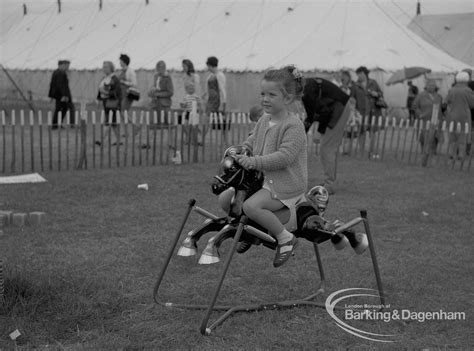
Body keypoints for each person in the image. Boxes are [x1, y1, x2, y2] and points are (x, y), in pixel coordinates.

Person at [220, 66, 307, 268]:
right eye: (262, 94)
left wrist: (253, 162)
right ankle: (250, 233)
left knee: (250, 206)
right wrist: (242, 150)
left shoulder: (293, 126)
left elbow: (284, 157)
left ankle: (286, 239)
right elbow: (253, 140)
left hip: (285, 184)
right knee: (226, 199)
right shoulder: (264, 120)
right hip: (263, 181)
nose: (265, 99)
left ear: (287, 98)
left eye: (271, 94)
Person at [302, 77, 351, 195]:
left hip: (339, 108)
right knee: (328, 148)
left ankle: (329, 185)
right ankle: (329, 182)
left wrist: (319, 132)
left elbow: (324, 111)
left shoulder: (307, 91)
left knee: (327, 148)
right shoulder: (305, 89)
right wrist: (302, 133)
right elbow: (311, 115)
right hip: (335, 108)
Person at [354, 66, 385, 158]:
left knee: (373, 132)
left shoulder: (373, 83)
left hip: (374, 111)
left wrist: (376, 94)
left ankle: (372, 151)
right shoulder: (356, 85)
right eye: (357, 74)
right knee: (361, 132)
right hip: (361, 112)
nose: (358, 76)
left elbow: (381, 93)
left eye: (360, 74)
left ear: (364, 73)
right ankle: (362, 151)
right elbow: (353, 98)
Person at [412, 80, 444, 166]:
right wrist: (420, 114)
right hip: (424, 120)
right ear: (426, 86)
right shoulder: (421, 95)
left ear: (435, 87)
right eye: (429, 85)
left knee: (435, 137)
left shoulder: (439, 96)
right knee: (424, 137)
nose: (431, 87)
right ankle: (424, 152)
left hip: (436, 119)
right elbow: (414, 106)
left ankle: (432, 152)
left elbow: (441, 108)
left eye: (433, 85)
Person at [445, 71, 474, 161]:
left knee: (452, 134)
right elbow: (472, 104)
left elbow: (447, 101)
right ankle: (461, 154)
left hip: (452, 114)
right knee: (463, 135)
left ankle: (452, 153)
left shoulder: (452, 89)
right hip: (464, 115)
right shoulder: (468, 90)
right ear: (466, 80)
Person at [95, 61, 122, 146]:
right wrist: (99, 99)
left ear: (111, 68)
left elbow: (116, 92)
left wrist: (106, 93)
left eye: (106, 67)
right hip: (105, 101)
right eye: (103, 67)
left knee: (108, 121)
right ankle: (119, 140)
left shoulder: (114, 79)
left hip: (112, 102)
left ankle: (101, 140)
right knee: (113, 123)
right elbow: (100, 90)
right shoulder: (104, 78)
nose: (104, 68)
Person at [48, 60, 74, 129]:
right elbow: (61, 85)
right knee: (69, 108)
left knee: (62, 109)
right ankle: (72, 124)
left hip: (59, 95)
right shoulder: (60, 73)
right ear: (62, 65)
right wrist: (64, 95)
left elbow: (53, 85)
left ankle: (57, 123)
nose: (68, 67)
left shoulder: (56, 72)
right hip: (62, 95)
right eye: (67, 65)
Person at [203, 56, 227, 131]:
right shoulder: (210, 75)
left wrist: (223, 102)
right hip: (210, 100)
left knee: (221, 121)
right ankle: (202, 138)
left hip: (217, 100)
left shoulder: (220, 75)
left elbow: (222, 89)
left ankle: (225, 140)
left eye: (208, 66)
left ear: (211, 65)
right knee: (207, 119)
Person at [148, 60, 174, 126]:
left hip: (164, 104)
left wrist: (158, 94)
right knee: (153, 124)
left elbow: (170, 92)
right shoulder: (156, 76)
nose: (158, 70)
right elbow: (155, 86)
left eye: (159, 68)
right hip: (155, 103)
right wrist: (151, 91)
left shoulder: (168, 77)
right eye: (157, 68)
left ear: (164, 68)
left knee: (167, 124)